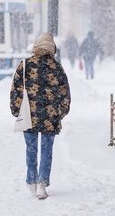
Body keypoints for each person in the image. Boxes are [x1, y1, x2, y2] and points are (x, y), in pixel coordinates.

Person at [10, 33, 71, 200]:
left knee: (31, 149)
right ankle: (42, 184)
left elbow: (16, 90)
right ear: (52, 48)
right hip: (50, 117)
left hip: (29, 115)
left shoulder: (25, 65)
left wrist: (16, 111)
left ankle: (31, 180)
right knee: (46, 150)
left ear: (35, 47)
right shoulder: (57, 67)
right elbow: (65, 93)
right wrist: (60, 113)